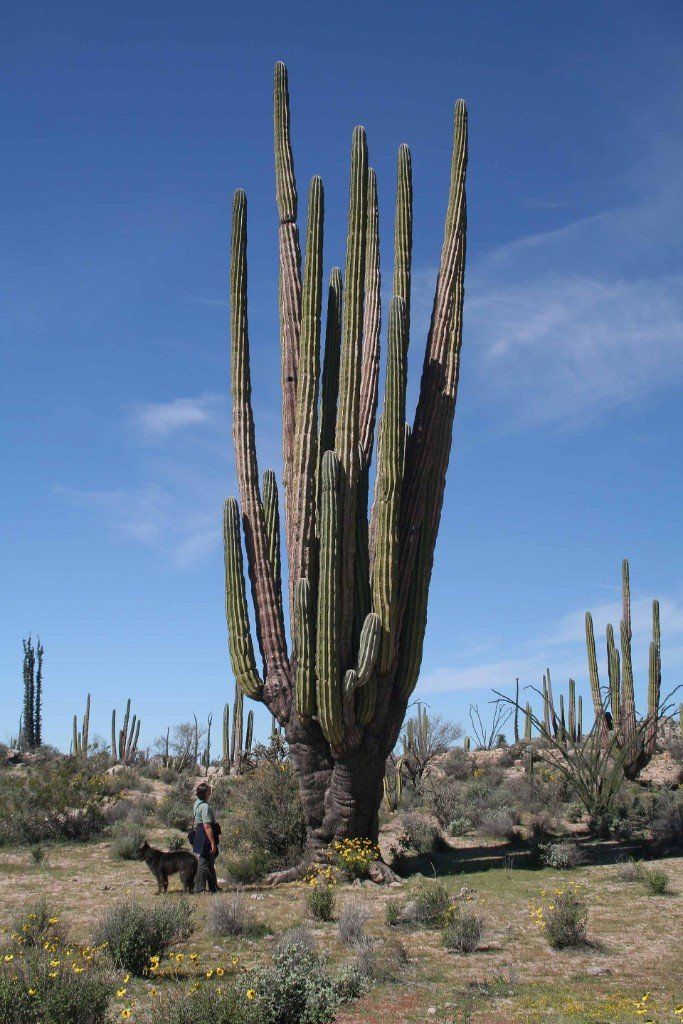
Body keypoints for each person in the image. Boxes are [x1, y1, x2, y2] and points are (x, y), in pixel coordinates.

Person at [192, 782, 220, 894]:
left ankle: (213, 887)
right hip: (205, 836)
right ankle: (199, 888)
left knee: (209, 861)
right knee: (204, 862)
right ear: (205, 793)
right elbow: (207, 826)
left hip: (199, 834)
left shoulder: (197, 803)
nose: (211, 790)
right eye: (209, 789)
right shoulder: (205, 807)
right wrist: (213, 843)